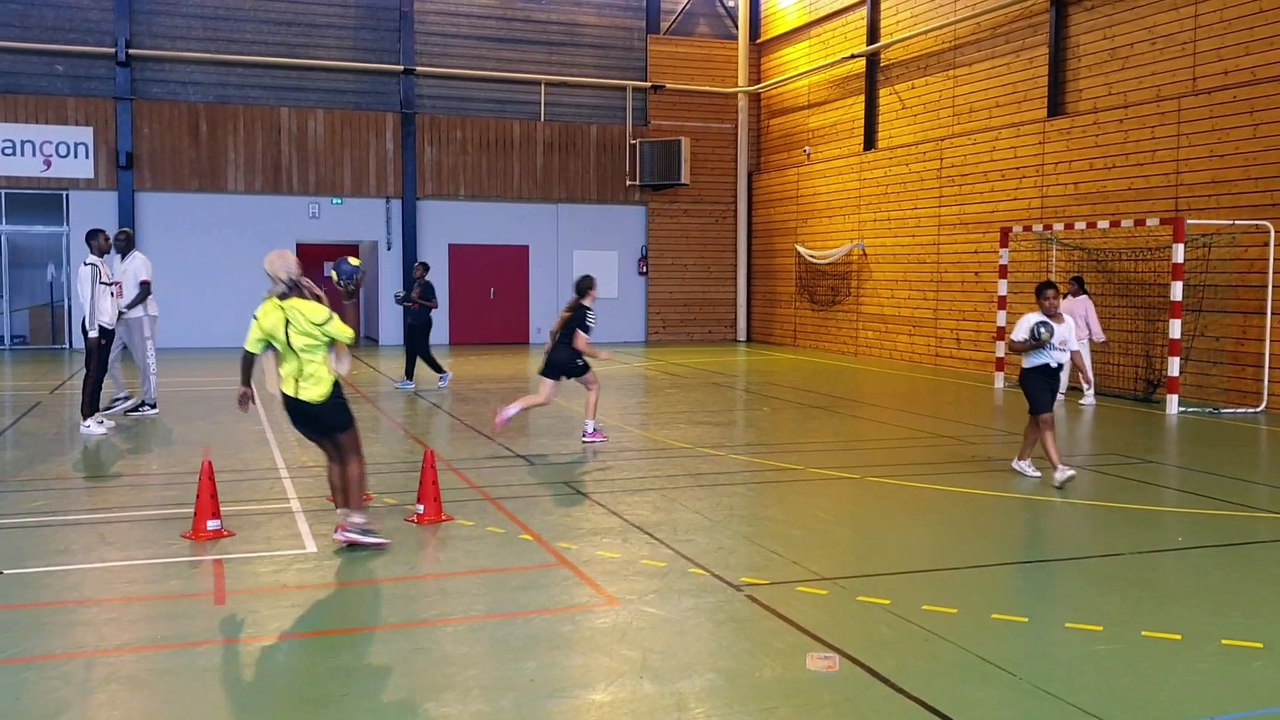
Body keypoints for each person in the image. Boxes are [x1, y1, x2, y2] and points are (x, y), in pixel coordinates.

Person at [237, 250, 389, 547]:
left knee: (333, 456)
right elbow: (349, 336)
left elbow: (249, 351)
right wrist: (348, 299)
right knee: (353, 455)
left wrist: (245, 385)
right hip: (323, 395)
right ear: (299, 272)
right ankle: (357, 523)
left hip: (293, 402)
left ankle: (344, 521)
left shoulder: (265, 312)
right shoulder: (314, 312)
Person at [494, 274, 609, 443]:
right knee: (593, 386)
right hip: (569, 358)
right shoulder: (587, 314)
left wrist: (551, 344)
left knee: (543, 397)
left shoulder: (570, 310)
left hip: (554, 355)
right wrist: (599, 355)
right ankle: (589, 432)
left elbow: (554, 329)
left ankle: (509, 411)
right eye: (595, 288)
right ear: (590, 292)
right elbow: (580, 345)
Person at [1009, 280, 1092, 489]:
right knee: (1046, 418)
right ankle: (1058, 469)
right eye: (1046, 299)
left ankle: (1021, 460)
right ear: (1038, 301)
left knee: (1036, 420)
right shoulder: (1030, 320)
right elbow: (1013, 345)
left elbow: (1074, 349)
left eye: (1055, 298)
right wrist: (1033, 344)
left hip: (1054, 376)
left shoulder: (1069, 323)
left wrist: (1084, 371)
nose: (1051, 303)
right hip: (1033, 374)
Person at [103, 228, 160, 416]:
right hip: (121, 318)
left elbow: (145, 291)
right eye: (115, 241)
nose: (116, 245)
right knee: (107, 357)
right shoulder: (117, 261)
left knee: (145, 360)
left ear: (129, 243)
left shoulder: (140, 261)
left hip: (141, 317)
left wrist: (125, 308)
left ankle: (150, 402)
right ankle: (121, 394)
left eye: (120, 241)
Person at [76, 228, 119, 436]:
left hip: (107, 327)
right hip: (97, 328)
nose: (109, 242)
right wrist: (93, 332)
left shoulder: (104, 266)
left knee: (100, 371)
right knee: (92, 372)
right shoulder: (91, 268)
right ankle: (85, 418)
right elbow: (90, 302)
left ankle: (94, 413)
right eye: (106, 239)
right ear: (95, 243)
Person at [394, 261, 451, 390]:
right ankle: (409, 380)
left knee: (423, 351)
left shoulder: (427, 286)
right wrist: (404, 304)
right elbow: (415, 304)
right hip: (412, 321)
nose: (415, 271)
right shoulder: (416, 286)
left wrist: (416, 300)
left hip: (423, 322)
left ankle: (443, 373)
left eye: (418, 270)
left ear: (424, 273)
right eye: (414, 269)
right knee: (410, 351)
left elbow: (434, 305)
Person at [1059, 275, 1106, 405]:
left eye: (1073, 285)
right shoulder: (1064, 300)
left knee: (1084, 367)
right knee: (1062, 366)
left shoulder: (1086, 302)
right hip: (1065, 340)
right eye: (1069, 284)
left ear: (1080, 287)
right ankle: (1059, 392)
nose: (1070, 287)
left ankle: (1089, 395)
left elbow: (1092, 320)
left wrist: (1099, 337)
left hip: (1080, 340)